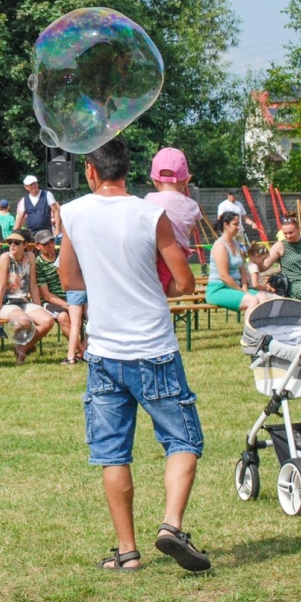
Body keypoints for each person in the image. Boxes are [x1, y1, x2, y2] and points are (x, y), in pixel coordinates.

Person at [58, 138, 209, 573]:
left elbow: (70, 277)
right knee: (182, 440)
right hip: (155, 349)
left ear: (90, 171)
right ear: (130, 170)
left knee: (112, 452)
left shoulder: (73, 213)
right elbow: (184, 282)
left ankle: (127, 553)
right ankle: (171, 526)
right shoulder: (151, 213)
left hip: (105, 352)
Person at [0, 229, 54, 364]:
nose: (12, 245)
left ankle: (22, 348)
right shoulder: (5, 258)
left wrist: (38, 307)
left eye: (17, 242)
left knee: (48, 321)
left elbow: (33, 285)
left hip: (24, 301)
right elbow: (1, 287)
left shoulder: (30, 257)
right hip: (7, 302)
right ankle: (24, 349)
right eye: (10, 242)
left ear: (25, 245)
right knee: (24, 322)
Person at [143, 148, 200, 293]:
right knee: (167, 290)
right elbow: (192, 228)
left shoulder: (148, 200)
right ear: (187, 180)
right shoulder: (192, 206)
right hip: (178, 260)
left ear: (154, 181)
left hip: (152, 255)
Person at [32, 230, 85, 365]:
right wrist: (66, 305)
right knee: (63, 317)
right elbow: (47, 295)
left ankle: (81, 352)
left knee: (93, 314)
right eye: (45, 244)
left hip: (73, 296)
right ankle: (82, 351)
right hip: (52, 301)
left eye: (51, 241)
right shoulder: (38, 264)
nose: (50, 245)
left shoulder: (63, 255)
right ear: (37, 246)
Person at [205, 212, 273, 314]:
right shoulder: (220, 246)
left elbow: (242, 271)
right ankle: (249, 330)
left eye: (239, 224)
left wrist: (245, 288)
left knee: (264, 298)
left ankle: (262, 328)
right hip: (218, 289)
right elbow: (224, 276)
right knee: (252, 300)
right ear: (226, 225)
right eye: (235, 224)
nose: (239, 227)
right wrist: (241, 292)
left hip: (236, 287)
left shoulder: (236, 244)